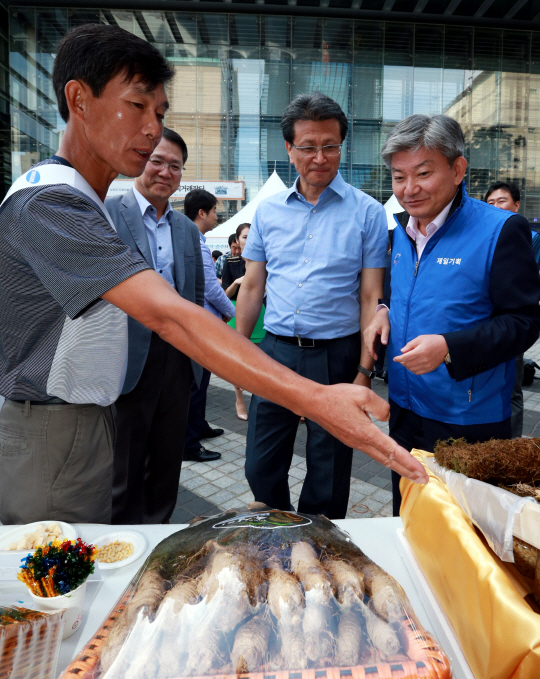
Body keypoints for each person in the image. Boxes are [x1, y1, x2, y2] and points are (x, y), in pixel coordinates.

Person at [0, 25, 426, 525]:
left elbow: (367, 291)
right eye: (137, 106)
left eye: (159, 114)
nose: (152, 130)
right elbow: (172, 315)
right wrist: (314, 399)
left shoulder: (85, 202)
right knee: (54, 586)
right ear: (79, 98)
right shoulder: (52, 202)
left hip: (90, 418)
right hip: (53, 426)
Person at [364, 114, 540, 516]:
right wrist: (384, 310)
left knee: (464, 528)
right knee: (409, 514)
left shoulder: (501, 230)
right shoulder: (402, 232)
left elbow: (524, 321)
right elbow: (405, 290)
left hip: (467, 417)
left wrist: (449, 349)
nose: (409, 189)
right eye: (398, 177)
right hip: (405, 407)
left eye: (423, 173)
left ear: (458, 169)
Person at [236, 92, 389, 519]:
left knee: (330, 471)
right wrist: (237, 354)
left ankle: (316, 547)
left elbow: (369, 297)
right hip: (277, 354)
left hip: (336, 357)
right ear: (289, 148)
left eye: (330, 146)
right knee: (260, 465)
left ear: (342, 146)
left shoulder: (368, 213)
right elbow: (251, 289)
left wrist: (363, 373)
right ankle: (279, 530)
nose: (319, 157)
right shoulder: (267, 213)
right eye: (307, 147)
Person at [105, 128, 203, 524]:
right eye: (156, 161)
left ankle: (158, 534)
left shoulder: (186, 229)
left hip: (177, 357)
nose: (165, 171)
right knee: (123, 464)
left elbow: (193, 296)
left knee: (167, 459)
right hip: (127, 357)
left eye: (175, 166)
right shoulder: (108, 213)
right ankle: (122, 540)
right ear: (140, 162)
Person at [182, 189, 235, 462]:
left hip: (193, 323)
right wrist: (230, 311)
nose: (217, 216)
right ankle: (190, 443)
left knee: (199, 382)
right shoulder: (197, 243)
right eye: (215, 211)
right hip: (199, 325)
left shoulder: (186, 238)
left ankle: (198, 427)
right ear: (202, 212)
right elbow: (209, 289)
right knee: (197, 383)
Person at [485, 181, 537, 439]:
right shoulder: (483, 233)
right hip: (485, 326)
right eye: (491, 202)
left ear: (516, 205)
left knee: (511, 388)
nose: (495, 206)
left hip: (510, 323)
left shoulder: (527, 234)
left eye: (501, 201)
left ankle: (511, 442)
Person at [223, 223, 266, 420]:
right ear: (237, 240)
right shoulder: (231, 262)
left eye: (251, 236)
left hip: (261, 313)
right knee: (238, 359)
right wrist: (236, 282)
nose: (248, 240)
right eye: (245, 237)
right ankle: (239, 399)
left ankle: (264, 399)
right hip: (236, 310)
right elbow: (224, 294)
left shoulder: (264, 261)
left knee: (264, 360)